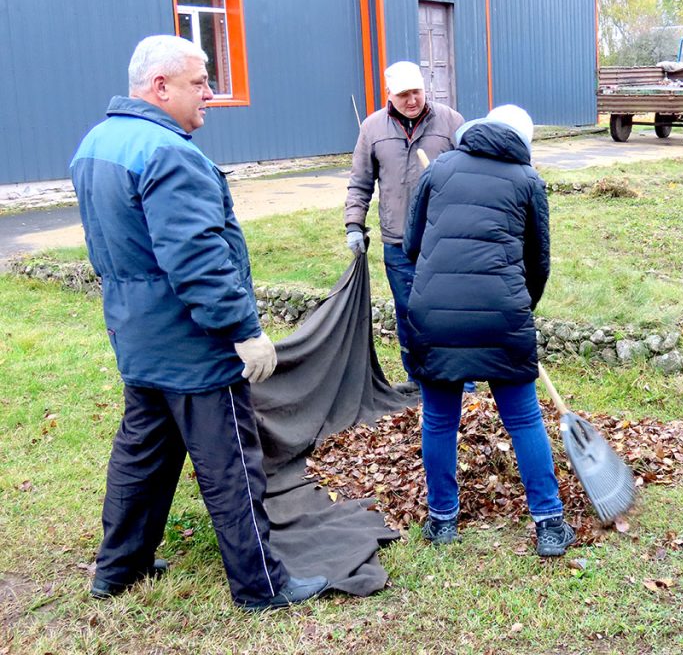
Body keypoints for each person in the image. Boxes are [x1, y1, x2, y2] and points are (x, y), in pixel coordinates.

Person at [70, 35, 327, 611]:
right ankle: (263, 585)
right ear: (160, 87)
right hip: (194, 346)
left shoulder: (97, 143)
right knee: (232, 465)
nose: (209, 93)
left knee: (143, 455)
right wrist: (242, 329)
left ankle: (119, 567)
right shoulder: (169, 153)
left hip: (138, 336)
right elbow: (197, 257)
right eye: (199, 82)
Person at [403, 105, 576, 557]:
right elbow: (539, 263)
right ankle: (549, 523)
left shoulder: (439, 168)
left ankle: (442, 521)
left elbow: (410, 244)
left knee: (440, 420)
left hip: (433, 313)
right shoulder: (528, 180)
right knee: (523, 418)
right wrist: (518, 306)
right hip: (503, 313)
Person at [345, 60, 466, 394]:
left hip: (443, 240)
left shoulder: (450, 122)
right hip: (398, 243)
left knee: (450, 311)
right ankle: (418, 381)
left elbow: (471, 173)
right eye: (403, 95)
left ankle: (462, 381)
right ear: (389, 95)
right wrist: (354, 223)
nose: (411, 100)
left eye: (416, 92)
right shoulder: (372, 129)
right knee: (409, 313)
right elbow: (360, 183)